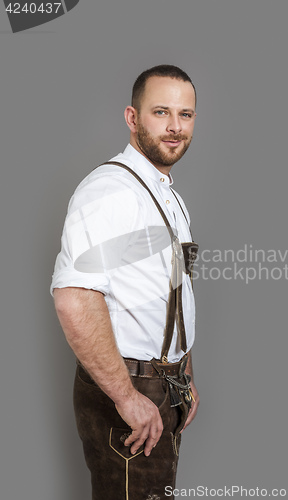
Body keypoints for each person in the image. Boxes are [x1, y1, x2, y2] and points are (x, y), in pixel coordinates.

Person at [51, 65, 199, 500]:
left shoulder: (166, 194)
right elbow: (75, 299)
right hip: (128, 388)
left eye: (186, 115)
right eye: (161, 112)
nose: (175, 127)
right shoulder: (110, 191)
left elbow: (175, 290)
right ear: (133, 118)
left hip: (165, 386)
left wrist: (184, 372)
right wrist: (127, 397)